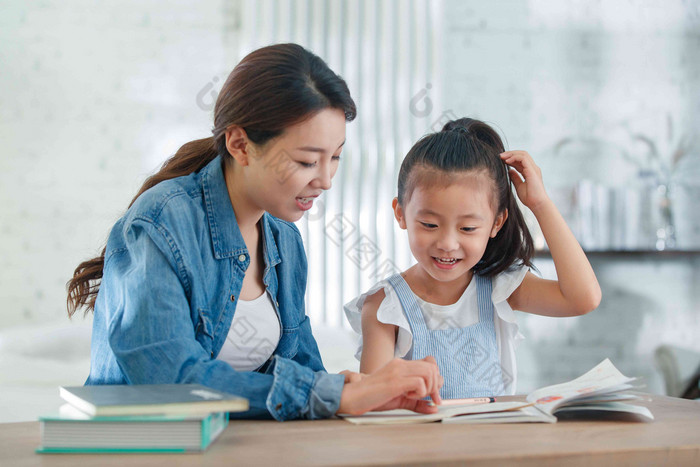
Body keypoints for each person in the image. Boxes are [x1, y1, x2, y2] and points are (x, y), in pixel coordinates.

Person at [66, 43, 442, 420]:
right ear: (240, 145)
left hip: (240, 446)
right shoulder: (161, 224)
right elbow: (171, 383)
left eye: (336, 157)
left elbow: (305, 375)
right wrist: (330, 395)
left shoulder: (284, 241)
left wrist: (366, 391)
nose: (326, 180)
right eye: (307, 161)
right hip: (144, 447)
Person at [345, 117, 601, 398]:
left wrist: (540, 204)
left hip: (493, 441)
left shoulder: (499, 288)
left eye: (467, 228)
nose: (447, 244)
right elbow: (369, 407)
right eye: (430, 225)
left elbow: (583, 298)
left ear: (496, 223)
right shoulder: (385, 306)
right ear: (401, 213)